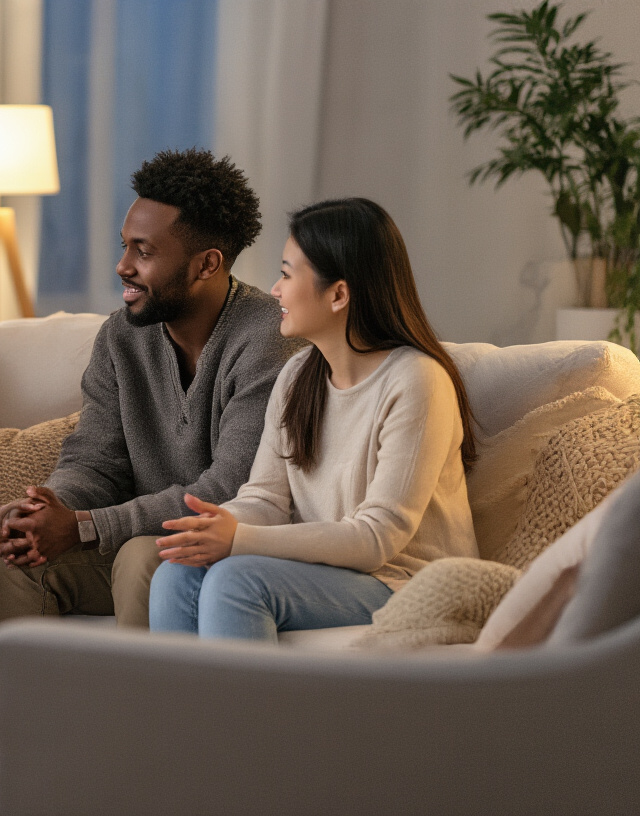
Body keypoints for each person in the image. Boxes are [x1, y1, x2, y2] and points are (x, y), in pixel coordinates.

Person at [0, 148, 304, 630]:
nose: (122, 266)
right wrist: (46, 510)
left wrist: (86, 527)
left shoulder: (269, 340)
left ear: (206, 264)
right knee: (13, 555)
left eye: (144, 251)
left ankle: (141, 685)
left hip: (233, 549)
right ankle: (19, 685)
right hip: (144, 536)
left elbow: (228, 489)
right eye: (124, 246)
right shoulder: (121, 337)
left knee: (141, 556)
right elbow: (96, 462)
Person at [148, 197, 479, 641]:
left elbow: (376, 538)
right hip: (336, 574)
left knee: (236, 581)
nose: (275, 290)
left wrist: (238, 540)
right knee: (176, 572)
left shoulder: (417, 380)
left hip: (413, 583)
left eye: (287, 274)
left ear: (338, 294)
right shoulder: (297, 375)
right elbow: (265, 499)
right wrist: (210, 529)